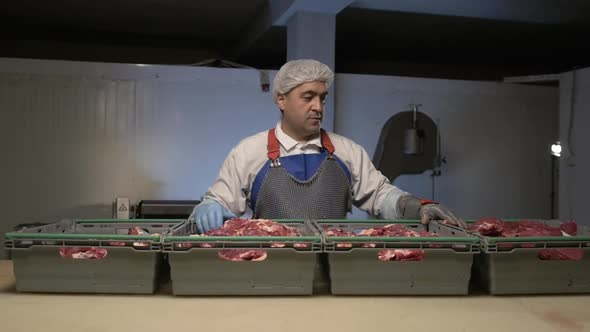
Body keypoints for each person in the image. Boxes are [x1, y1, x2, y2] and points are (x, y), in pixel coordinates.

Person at [190, 59, 466, 233]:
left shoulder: (347, 151)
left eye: (322, 98)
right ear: (281, 99)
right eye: (308, 97)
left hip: (338, 263)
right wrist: (209, 206)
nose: (318, 107)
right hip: (270, 263)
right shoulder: (249, 151)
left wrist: (415, 206)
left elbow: (381, 196)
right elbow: (221, 201)